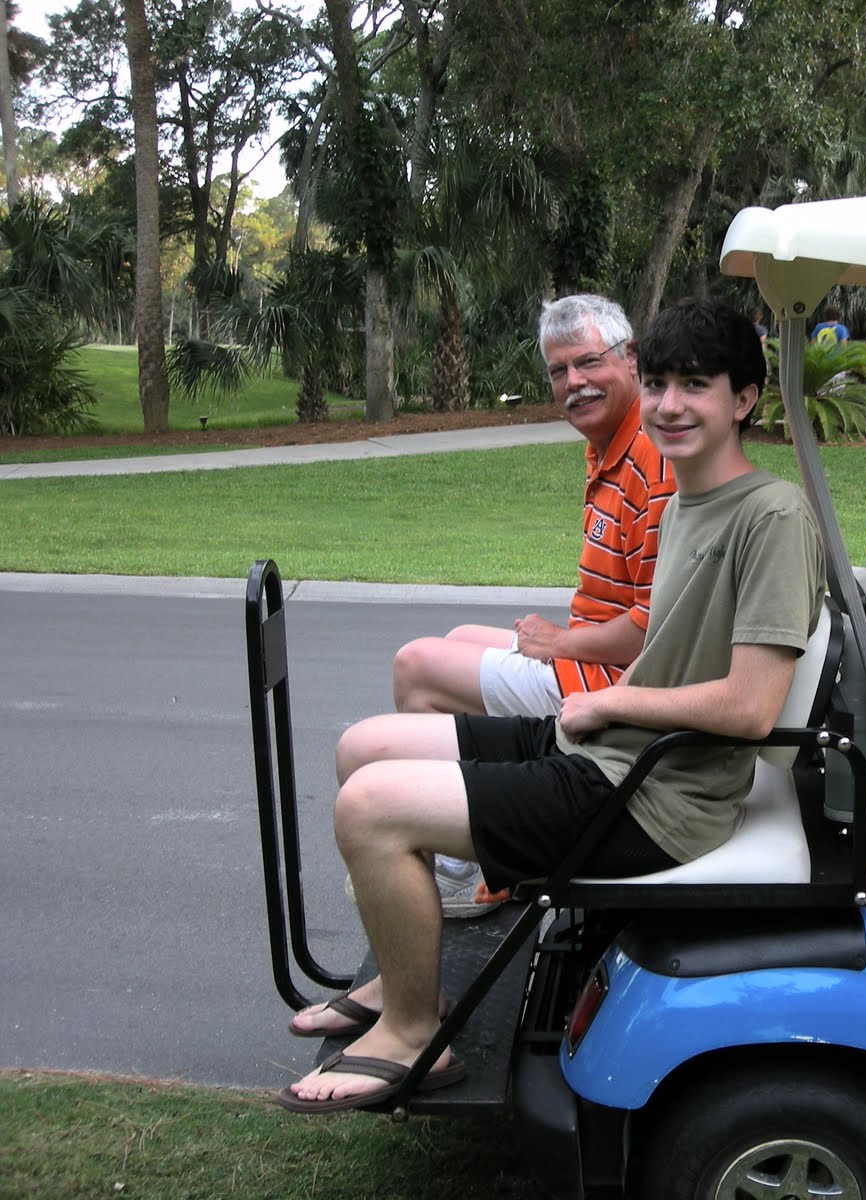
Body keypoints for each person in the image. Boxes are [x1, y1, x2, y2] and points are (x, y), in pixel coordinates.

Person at [279, 298, 826, 1113]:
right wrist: (596, 692)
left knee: (370, 810)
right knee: (363, 746)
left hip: (657, 796)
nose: (670, 404)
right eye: (660, 383)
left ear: (744, 399)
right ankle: (402, 978)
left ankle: (413, 1032)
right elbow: (659, 638)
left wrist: (612, 703)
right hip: (616, 752)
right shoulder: (686, 501)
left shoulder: (771, 516)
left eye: (696, 386)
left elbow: (751, 708)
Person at [389, 294, 675, 915]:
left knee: (417, 667)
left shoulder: (651, 462)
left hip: (610, 684)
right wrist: (562, 639)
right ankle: (475, 854)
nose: (574, 383)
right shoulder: (611, 446)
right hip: (590, 660)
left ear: (630, 359)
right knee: (458, 636)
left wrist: (561, 642)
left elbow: (654, 628)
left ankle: (459, 870)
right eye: (558, 371)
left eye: (589, 362)